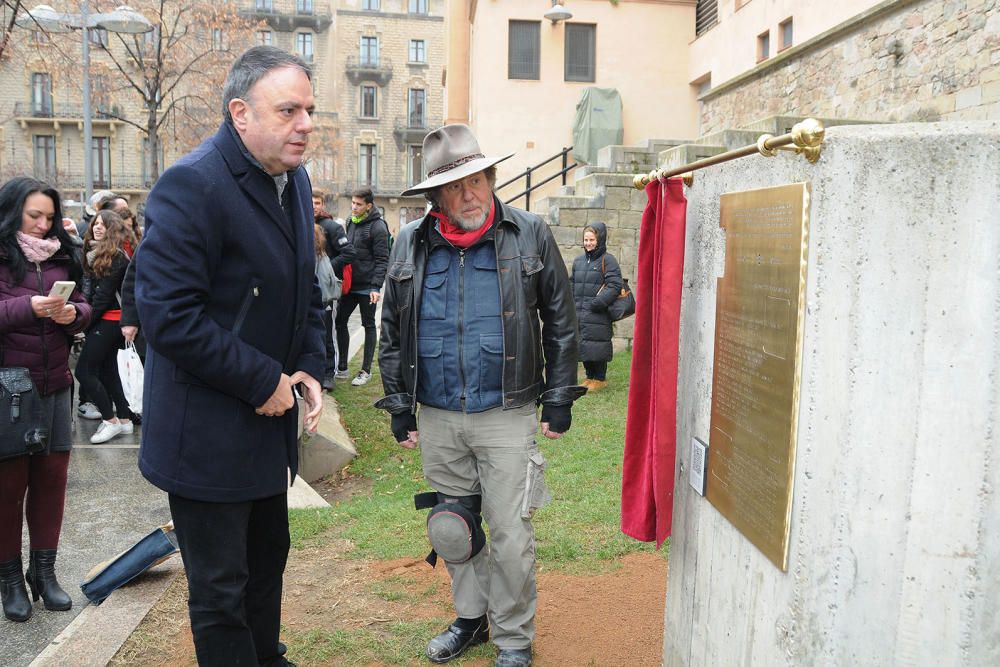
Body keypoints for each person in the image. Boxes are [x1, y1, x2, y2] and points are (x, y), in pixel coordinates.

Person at [134, 46, 325, 667]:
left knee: (267, 563)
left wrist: (310, 363)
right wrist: (262, 379)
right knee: (221, 591)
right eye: (289, 110)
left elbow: (303, 286)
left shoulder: (294, 180)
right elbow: (169, 316)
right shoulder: (192, 183)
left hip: (268, 431)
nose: (305, 124)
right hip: (206, 433)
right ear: (240, 113)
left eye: (309, 110)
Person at [375, 124, 584, 667]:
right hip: (439, 413)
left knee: (510, 533)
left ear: (491, 178)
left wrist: (559, 396)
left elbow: (561, 321)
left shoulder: (529, 233)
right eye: (454, 185)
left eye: (476, 179)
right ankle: (472, 620)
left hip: (507, 412)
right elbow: (392, 331)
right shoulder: (409, 242)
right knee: (454, 528)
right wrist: (399, 405)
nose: (469, 193)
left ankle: (513, 636)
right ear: (436, 196)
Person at [0, 176, 92, 622]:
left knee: (52, 482)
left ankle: (44, 573)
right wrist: (29, 307)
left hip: (56, 383)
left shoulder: (64, 253)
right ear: (12, 212)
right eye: (34, 216)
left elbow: (87, 304)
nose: (42, 225)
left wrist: (74, 314)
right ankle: (10, 582)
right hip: (9, 390)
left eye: (49, 217)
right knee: (8, 488)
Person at [75, 210, 137, 444]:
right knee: (109, 372)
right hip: (108, 321)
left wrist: (83, 324)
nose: (97, 227)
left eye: (103, 225)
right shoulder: (96, 253)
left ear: (113, 230)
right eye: (95, 224)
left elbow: (102, 297)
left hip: (109, 321)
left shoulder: (116, 257)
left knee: (84, 372)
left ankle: (110, 421)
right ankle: (124, 419)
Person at [334, 187, 389, 386]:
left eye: (358, 204)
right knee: (340, 321)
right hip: (350, 286)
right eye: (353, 203)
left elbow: (382, 259)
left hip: (368, 287)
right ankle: (342, 366)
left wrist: (376, 287)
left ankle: (365, 371)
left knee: (368, 325)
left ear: (369, 206)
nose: (354, 207)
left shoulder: (378, 227)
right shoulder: (350, 221)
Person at [570, 222, 622, 391]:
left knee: (597, 344)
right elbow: (572, 283)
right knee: (585, 345)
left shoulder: (608, 260)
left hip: (598, 312)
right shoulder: (578, 261)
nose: (588, 243)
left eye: (592, 240)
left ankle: (599, 378)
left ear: (600, 240)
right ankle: (589, 376)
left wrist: (598, 303)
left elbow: (615, 285)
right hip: (580, 312)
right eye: (586, 240)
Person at [313, 196, 355, 390]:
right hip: (304, 287)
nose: (313, 206)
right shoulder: (298, 221)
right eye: (310, 202)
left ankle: (328, 374)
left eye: (317, 202)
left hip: (324, 291)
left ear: (322, 205)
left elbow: (349, 253)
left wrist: (328, 267)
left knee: (326, 331)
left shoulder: (331, 227)